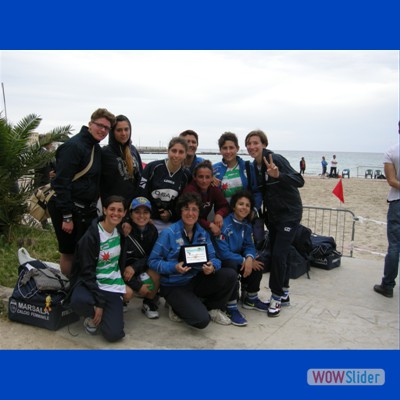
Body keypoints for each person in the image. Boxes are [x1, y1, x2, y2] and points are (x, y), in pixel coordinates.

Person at [148, 192, 237, 328]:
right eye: (186, 209)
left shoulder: (202, 233)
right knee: (202, 321)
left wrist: (212, 267)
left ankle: (212, 308)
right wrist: (174, 267)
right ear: (180, 211)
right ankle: (174, 305)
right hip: (174, 285)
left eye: (194, 209)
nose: (190, 213)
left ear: (199, 212)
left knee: (230, 275)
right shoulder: (168, 233)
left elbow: (214, 258)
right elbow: (153, 261)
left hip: (195, 280)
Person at [48, 108, 116, 276]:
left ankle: (80, 285)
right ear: (90, 124)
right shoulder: (73, 146)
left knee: (86, 251)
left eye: (107, 128)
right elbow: (61, 183)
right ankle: (70, 287)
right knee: (69, 253)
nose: (103, 130)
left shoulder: (95, 148)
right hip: (69, 209)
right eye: (100, 125)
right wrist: (67, 216)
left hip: (86, 210)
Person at [245, 129, 304, 317]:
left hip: (290, 214)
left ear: (264, 144)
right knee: (281, 254)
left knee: (278, 255)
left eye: (256, 143)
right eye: (249, 144)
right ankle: (284, 293)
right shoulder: (254, 166)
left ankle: (276, 296)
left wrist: (279, 175)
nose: (252, 146)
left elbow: (299, 180)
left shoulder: (275, 159)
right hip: (273, 217)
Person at [68, 195, 130, 342]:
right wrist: (99, 303)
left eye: (120, 210)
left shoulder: (120, 232)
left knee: (114, 335)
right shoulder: (91, 237)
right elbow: (86, 273)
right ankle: (92, 313)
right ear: (105, 210)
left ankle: (106, 314)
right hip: (92, 283)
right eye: (112, 209)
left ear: (124, 213)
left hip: (112, 285)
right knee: (77, 301)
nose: (116, 213)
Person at [214, 191, 268, 326]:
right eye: (241, 204)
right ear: (233, 206)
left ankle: (251, 298)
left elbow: (249, 245)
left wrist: (249, 258)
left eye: (247, 205)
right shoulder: (224, 224)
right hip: (223, 262)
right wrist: (244, 261)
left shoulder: (246, 225)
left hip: (238, 259)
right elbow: (223, 253)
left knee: (258, 261)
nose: (244, 207)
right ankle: (230, 306)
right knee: (231, 264)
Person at [137, 137, 191, 233]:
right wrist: (145, 216)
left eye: (181, 152)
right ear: (168, 151)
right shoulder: (152, 167)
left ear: (185, 154)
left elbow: (184, 201)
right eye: (174, 151)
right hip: (149, 220)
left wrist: (170, 214)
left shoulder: (186, 175)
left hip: (172, 223)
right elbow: (141, 193)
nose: (176, 155)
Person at [373, 121, 400, 298]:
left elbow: (391, 181)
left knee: (395, 246)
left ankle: (388, 285)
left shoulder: (392, 152)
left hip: (397, 200)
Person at [124, 197, 160, 318]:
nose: (141, 216)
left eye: (146, 212)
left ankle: (149, 302)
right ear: (130, 214)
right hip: (125, 270)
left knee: (156, 270)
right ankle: (123, 301)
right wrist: (137, 285)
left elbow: (153, 256)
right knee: (126, 289)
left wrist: (135, 267)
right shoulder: (124, 230)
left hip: (140, 267)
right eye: (137, 212)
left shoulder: (153, 230)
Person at [100, 115, 143, 207]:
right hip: (113, 207)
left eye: (126, 129)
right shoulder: (105, 153)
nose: (123, 133)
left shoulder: (133, 150)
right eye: (119, 130)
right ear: (112, 132)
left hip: (133, 206)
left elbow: (140, 177)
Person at [213, 132, 262, 210]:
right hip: (223, 215)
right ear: (220, 150)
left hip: (245, 214)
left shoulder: (248, 167)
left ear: (237, 148)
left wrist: (254, 210)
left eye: (231, 148)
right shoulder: (214, 169)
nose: (228, 151)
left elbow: (257, 192)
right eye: (225, 148)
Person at [182, 160, 229, 236]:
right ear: (195, 177)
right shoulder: (189, 191)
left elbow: (225, 206)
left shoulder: (213, 189)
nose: (204, 181)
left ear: (212, 178)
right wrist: (209, 225)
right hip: (187, 224)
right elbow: (189, 215)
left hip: (203, 224)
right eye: (201, 177)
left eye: (207, 177)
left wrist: (219, 214)